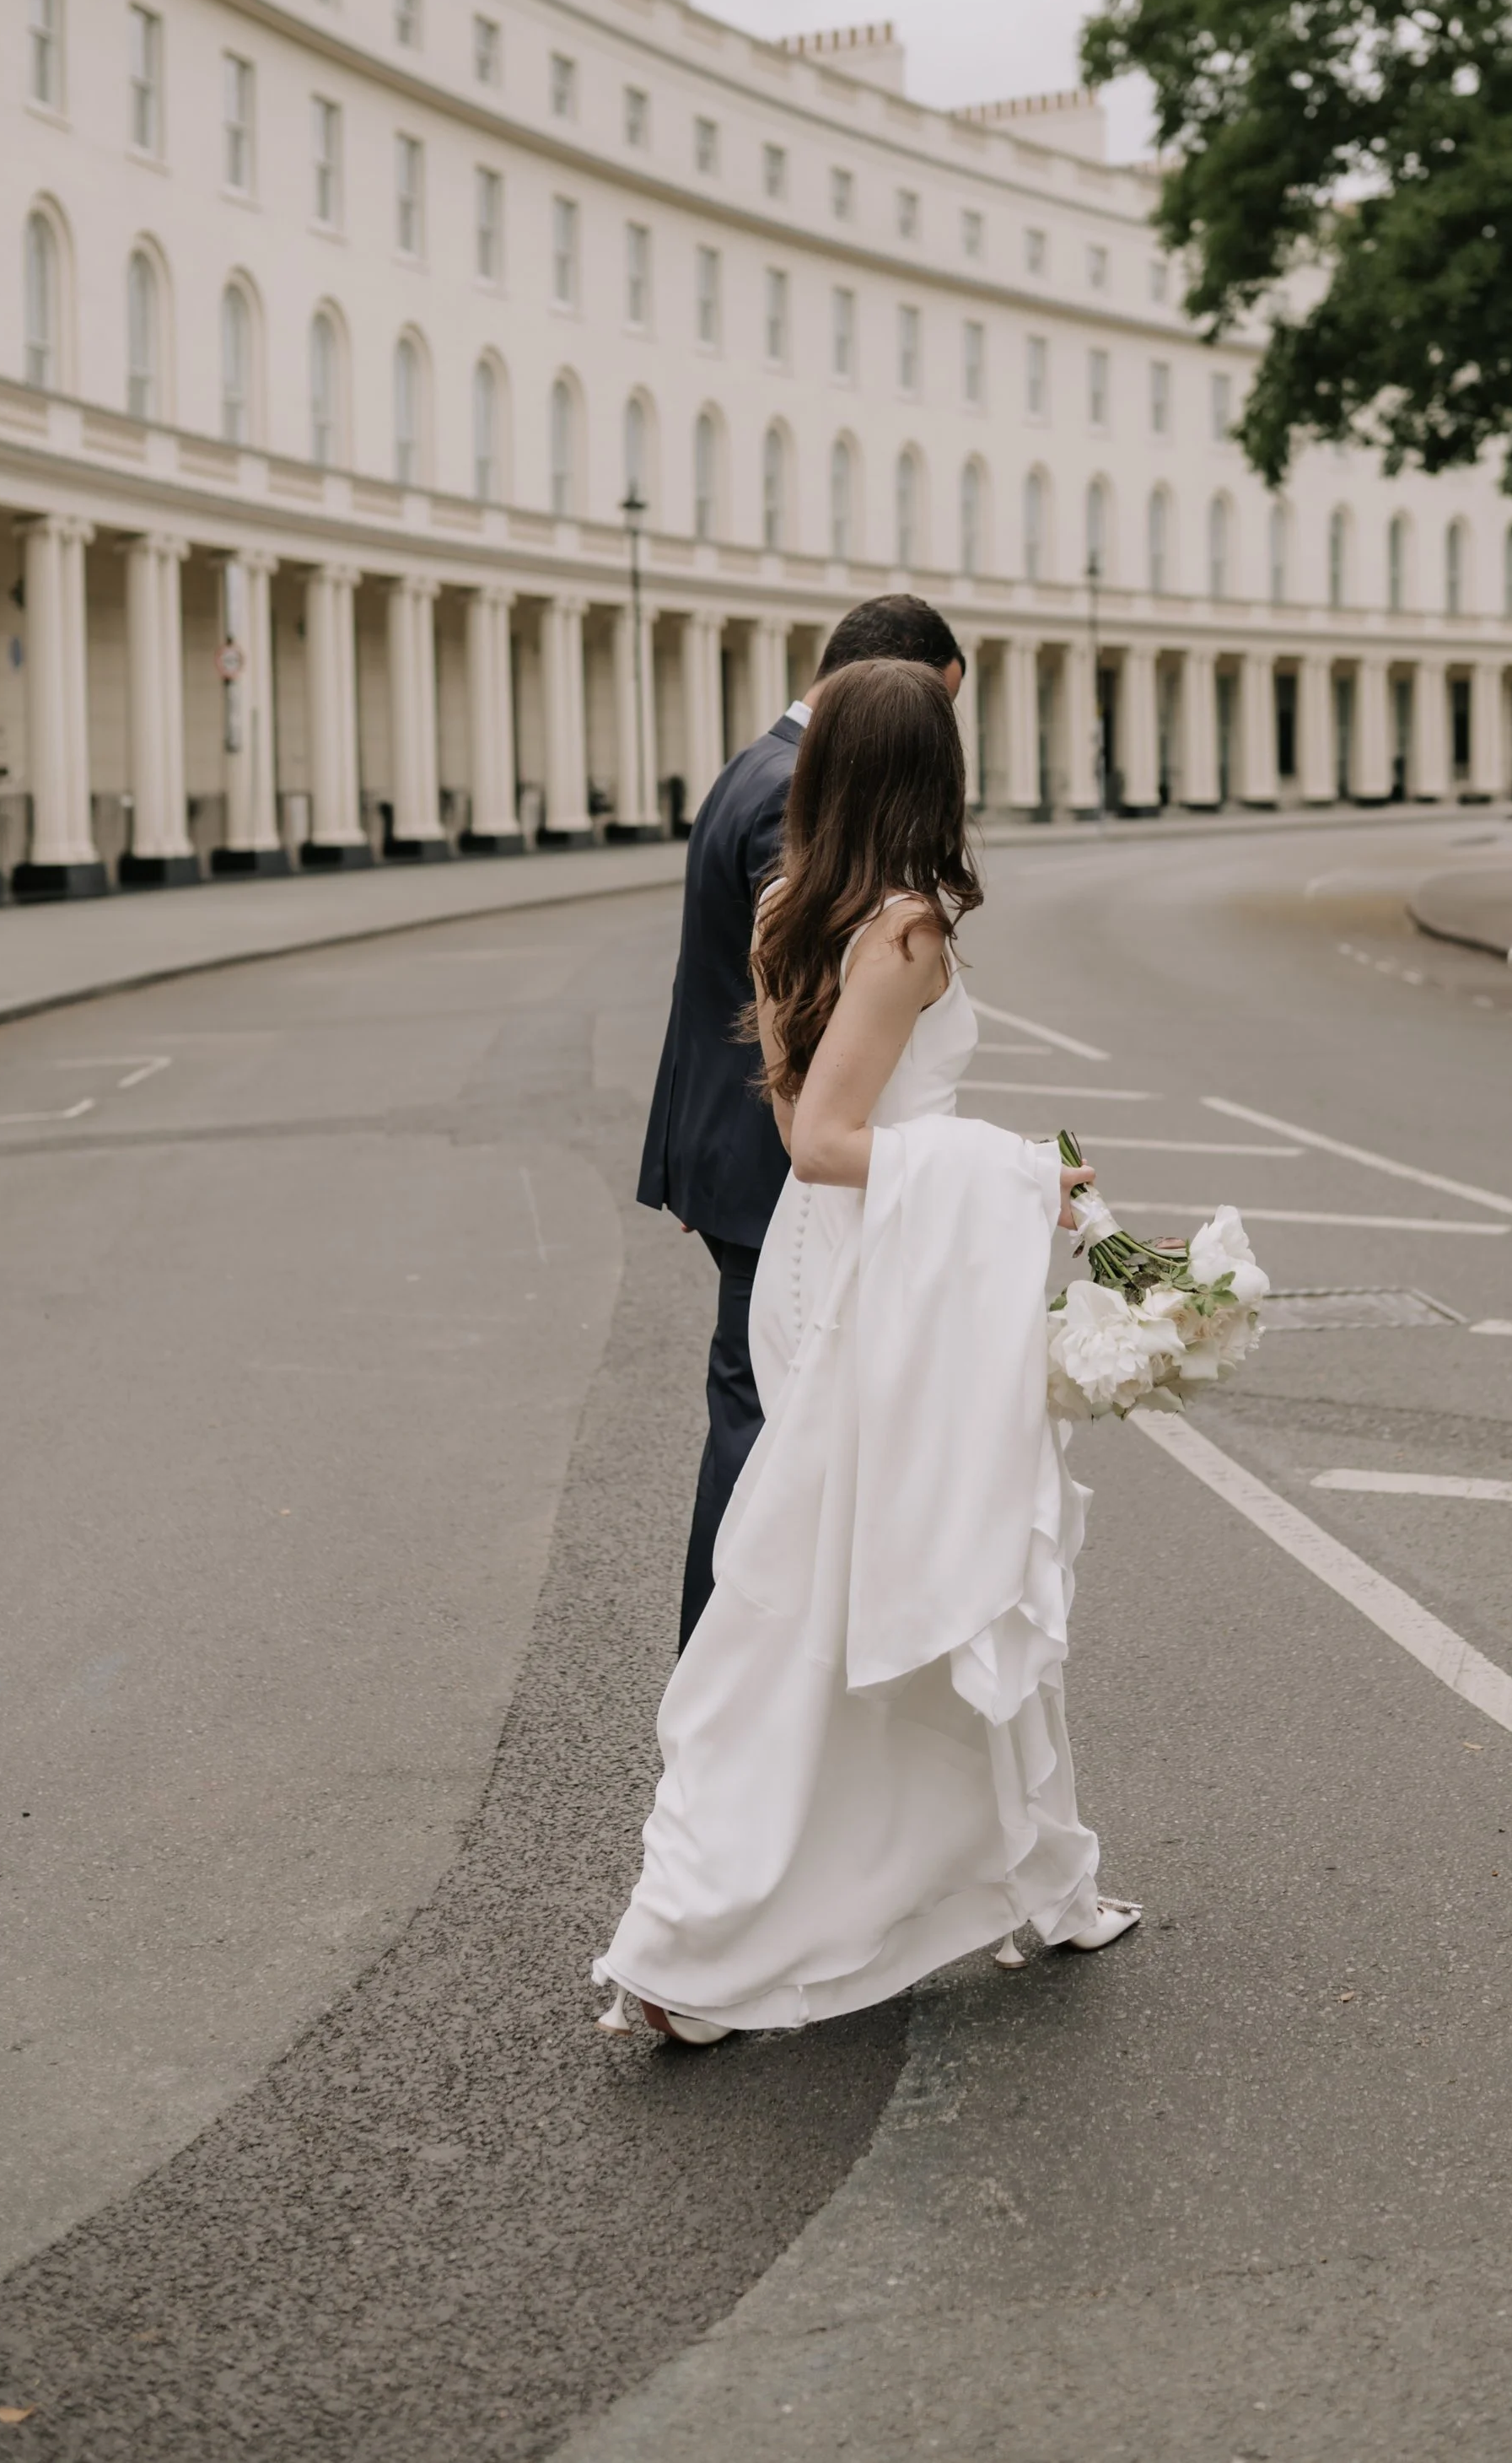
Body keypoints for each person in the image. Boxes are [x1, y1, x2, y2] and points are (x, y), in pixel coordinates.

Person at [599, 657, 1138, 2045]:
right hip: (887, 1274)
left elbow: (812, 1104)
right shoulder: (903, 930)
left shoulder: (800, 903)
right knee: (895, 1573)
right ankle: (704, 1936)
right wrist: (1019, 1175)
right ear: (927, 772)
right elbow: (828, 1138)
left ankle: (1030, 1870)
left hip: (835, 1261)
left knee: (856, 1569)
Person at [639, 595, 966, 1648]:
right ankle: (729, 1679)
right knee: (770, 1447)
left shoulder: (750, 762)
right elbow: (823, 1017)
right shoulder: (793, 796)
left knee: (763, 1430)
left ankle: (741, 1690)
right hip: (793, 1183)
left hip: (731, 1150)